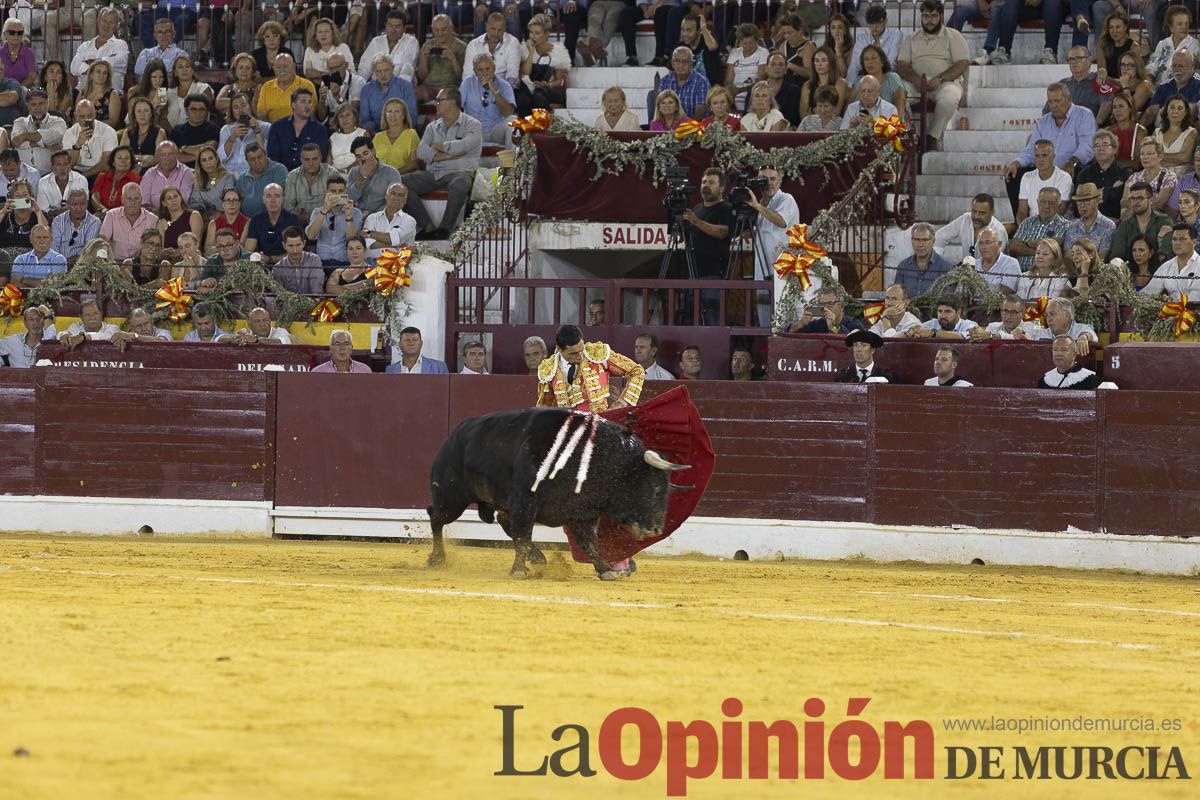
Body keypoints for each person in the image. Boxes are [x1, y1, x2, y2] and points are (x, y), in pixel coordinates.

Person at [1002, 86, 1095, 218]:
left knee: (1081, 174)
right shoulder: (1043, 121)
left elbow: (1087, 147)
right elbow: (1031, 150)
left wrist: (1072, 162)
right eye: (1050, 102)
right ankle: (1022, 222)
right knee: (1013, 175)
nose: (1054, 105)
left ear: (1069, 99)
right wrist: (1015, 163)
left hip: (1073, 168)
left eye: (1057, 101)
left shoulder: (1084, 115)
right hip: (1045, 170)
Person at [404, 88, 481, 240]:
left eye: (440, 101)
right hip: (435, 173)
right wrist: (446, 156)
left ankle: (445, 229)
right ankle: (427, 225)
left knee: (460, 183)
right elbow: (421, 152)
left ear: (452, 103)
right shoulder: (432, 127)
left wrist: (440, 146)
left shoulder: (473, 124)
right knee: (400, 182)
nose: (436, 104)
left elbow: (464, 146)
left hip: (460, 172)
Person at [896, 0, 967, 151]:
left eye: (933, 16)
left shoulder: (954, 36)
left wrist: (940, 79)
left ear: (941, 16)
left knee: (949, 97)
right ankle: (910, 134)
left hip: (944, 83)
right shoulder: (911, 38)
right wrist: (915, 79)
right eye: (926, 16)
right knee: (898, 94)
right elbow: (902, 65)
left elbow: (962, 64)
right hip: (916, 82)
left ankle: (932, 137)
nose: (929, 20)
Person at [677, 168, 733, 325]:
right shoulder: (696, 209)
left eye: (711, 182)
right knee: (690, 320)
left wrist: (696, 222)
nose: (706, 185)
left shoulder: (726, 208)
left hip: (714, 274)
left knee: (713, 321)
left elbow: (723, 232)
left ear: (722, 188)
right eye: (703, 182)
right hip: (692, 272)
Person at [515, 15, 569, 116]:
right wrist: (531, 53)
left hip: (549, 88)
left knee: (538, 94)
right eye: (531, 32)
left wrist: (547, 84)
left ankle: (543, 126)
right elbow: (525, 74)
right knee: (522, 96)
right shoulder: (524, 49)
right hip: (529, 86)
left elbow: (559, 81)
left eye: (537, 33)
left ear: (546, 34)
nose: (532, 36)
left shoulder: (558, 51)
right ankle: (525, 129)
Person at [265, 88, 329, 172]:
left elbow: (320, 157)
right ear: (293, 105)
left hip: (309, 175)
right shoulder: (277, 127)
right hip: (281, 174)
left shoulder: (320, 129)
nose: (307, 106)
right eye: (303, 102)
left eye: (309, 102)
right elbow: (272, 156)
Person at [1074, 129, 1132, 221]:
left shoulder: (1124, 171)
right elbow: (1078, 199)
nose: (1101, 148)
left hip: (1114, 218)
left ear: (1114, 149)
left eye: (1105, 144)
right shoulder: (1085, 173)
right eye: (1097, 146)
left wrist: (1095, 194)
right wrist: (1110, 190)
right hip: (1088, 219)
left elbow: (1121, 196)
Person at [1012, 140, 1074, 223]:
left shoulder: (1064, 178)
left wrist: (1041, 229)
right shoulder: (1027, 177)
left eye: (1044, 155)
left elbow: (1060, 211)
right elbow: (1022, 212)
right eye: (1037, 156)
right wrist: (1023, 229)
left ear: (1053, 156)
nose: (1040, 159)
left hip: (1058, 225)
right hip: (1032, 226)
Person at [461, 54, 516, 147]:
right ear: (475, 71)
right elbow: (456, 108)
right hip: (472, 131)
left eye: (488, 69)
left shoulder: (504, 85)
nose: (485, 73)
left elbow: (508, 113)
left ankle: (510, 160)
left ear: (494, 68)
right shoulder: (467, 83)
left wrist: (494, 90)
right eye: (480, 70)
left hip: (495, 130)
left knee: (513, 120)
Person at [934, 192, 1008, 260]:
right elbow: (940, 235)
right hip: (965, 271)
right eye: (974, 211)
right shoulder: (965, 218)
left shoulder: (999, 230)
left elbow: (994, 262)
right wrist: (937, 260)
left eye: (982, 213)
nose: (976, 216)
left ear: (992, 212)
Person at [1110, 181, 1172, 262]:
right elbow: (1117, 256)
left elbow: (1166, 254)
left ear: (1150, 200)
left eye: (1140, 198)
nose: (1135, 202)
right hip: (1131, 271)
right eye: (1133, 198)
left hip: (1158, 270)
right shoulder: (1125, 225)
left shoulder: (1163, 221)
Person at [1009, 187, 1068, 271]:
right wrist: (1042, 253)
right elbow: (1014, 246)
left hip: (1047, 276)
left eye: (1051, 203)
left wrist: (1027, 244)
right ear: (1037, 202)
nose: (1046, 206)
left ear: (1059, 205)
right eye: (1043, 202)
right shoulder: (1027, 222)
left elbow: (1053, 246)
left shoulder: (1064, 225)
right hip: (1021, 273)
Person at [306, 176, 361, 265]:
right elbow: (311, 236)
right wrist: (324, 211)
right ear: (326, 192)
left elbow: (353, 240)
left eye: (340, 191)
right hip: (321, 262)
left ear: (345, 192)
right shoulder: (317, 212)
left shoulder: (355, 213)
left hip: (344, 261)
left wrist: (348, 217)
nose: (337, 195)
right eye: (333, 191)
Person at [359, 53, 418, 135]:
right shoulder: (367, 89)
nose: (383, 75)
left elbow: (412, 116)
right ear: (373, 72)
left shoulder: (405, 86)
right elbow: (365, 119)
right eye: (378, 71)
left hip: (401, 133)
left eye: (386, 70)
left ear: (393, 68)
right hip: (375, 134)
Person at [11, 89, 65, 178]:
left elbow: (56, 136)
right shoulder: (19, 122)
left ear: (47, 103)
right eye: (33, 104)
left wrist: (24, 136)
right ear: (27, 105)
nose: (37, 108)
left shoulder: (58, 121)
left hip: (51, 175)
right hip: (24, 176)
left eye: (41, 103)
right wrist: (45, 145)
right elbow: (15, 141)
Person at [69, 8, 129, 87]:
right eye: (104, 21)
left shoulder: (121, 45)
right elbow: (74, 67)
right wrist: (103, 62)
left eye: (111, 22)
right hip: (82, 92)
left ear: (116, 26)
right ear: (98, 22)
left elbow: (118, 62)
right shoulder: (85, 46)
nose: (106, 26)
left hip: (108, 94)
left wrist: (89, 64)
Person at [358, 9, 419, 84]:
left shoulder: (411, 42)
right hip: (376, 87)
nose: (393, 30)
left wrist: (397, 88)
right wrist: (359, 84)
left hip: (400, 88)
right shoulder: (376, 41)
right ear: (385, 25)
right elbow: (364, 68)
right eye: (390, 26)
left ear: (404, 28)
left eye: (397, 27)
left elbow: (407, 68)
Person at [1143, 49, 1200, 129]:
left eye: (1180, 66)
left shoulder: (1198, 84)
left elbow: (1192, 113)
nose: (1177, 69)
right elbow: (1151, 112)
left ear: (1192, 65)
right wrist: (1139, 129)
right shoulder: (1164, 86)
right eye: (1174, 66)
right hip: (1162, 131)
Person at [415, 14, 466, 103]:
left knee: (446, 98)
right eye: (436, 30)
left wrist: (453, 59)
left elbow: (462, 78)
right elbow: (421, 77)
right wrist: (424, 58)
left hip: (451, 89)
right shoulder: (427, 45)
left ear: (451, 28)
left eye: (443, 29)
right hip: (429, 87)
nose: (440, 34)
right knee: (412, 94)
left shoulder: (461, 47)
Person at [1141, 223, 1200, 299]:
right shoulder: (1166, 267)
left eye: (1182, 239)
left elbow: (1195, 300)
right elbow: (1149, 292)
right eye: (1174, 239)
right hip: (1170, 309)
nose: (1177, 243)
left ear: (1194, 242)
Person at [348, 136, 403, 217]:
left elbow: (394, 202)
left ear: (373, 151)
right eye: (359, 156)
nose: (363, 159)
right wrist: (362, 177)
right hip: (356, 214)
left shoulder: (392, 172)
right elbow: (349, 198)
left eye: (365, 153)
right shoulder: (353, 172)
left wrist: (373, 217)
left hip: (380, 216)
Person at [218, 92, 270, 178]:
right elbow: (220, 158)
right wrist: (232, 138)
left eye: (243, 105)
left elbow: (266, 157)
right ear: (232, 111)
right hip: (228, 174)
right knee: (212, 182)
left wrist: (257, 131)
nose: (240, 110)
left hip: (252, 174)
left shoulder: (265, 127)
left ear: (250, 106)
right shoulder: (226, 129)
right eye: (236, 107)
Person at [245, 183, 299, 265]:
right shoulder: (256, 220)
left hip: (287, 265)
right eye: (269, 196)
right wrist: (257, 257)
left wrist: (270, 259)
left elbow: (296, 253)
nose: (273, 201)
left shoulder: (292, 220)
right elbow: (249, 251)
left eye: (277, 196)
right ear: (263, 199)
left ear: (283, 199)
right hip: (262, 266)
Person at [63, 99, 118, 180]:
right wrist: (78, 145)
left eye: (89, 116)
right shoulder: (69, 133)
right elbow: (68, 164)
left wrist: (83, 176)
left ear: (95, 114)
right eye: (82, 117)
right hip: (75, 172)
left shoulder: (108, 131)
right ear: (76, 116)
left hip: (98, 173)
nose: (86, 120)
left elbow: (106, 164)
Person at [256, 53, 319, 124]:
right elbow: (261, 115)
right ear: (274, 69)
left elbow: (311, 113)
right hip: (273, 130)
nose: (282, 70)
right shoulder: (266, 87)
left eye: (285, 66)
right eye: (278, 67)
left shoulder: (306, 85)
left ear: (293, 67)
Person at [894, 221, 952, 297]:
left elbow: (949, 299)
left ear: (933, 241)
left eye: (925, 240)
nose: (920, 244)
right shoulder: (903, 266)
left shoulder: (945, 267)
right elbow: (896, 296)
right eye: (917, 240)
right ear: (912, 241)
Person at [284, 142, 339, 221]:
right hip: (299, 221)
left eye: (315, 159)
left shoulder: (331, 173)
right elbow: (288, 206)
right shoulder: (292, 176)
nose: (311, 163)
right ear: (301, 160)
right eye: (307, 159)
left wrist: (314, 217)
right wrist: (297, 215)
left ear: (320, 158)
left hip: (326, 220)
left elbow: (339, 201)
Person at [361, 181, 416, 259]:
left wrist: (369, 233)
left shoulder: (409, 221)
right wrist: (396, 244)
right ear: (386, 196)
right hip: (372, 264)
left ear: (405, 200)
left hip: (397, 266)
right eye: (393, 193)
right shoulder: (372, 218)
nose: (396, 198)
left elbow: (395, 239)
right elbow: (369, 244)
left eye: (400, 195)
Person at [465, 12, 522, 86]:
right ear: (486, 26)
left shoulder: (512, 43)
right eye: (493, 29)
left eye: (500, 30)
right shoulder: (473, 45)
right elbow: (467, 74)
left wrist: (500, 92)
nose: (496, 33)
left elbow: (512, 74)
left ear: (505, 29)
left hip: (503, 88)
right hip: (477, 87)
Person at [657, 46, 711, 121]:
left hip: (692, 126)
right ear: (672, 63)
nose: (681, 65)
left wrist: (679, 124)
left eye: (685, 62)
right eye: (677, 61)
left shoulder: (701, 82)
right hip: (668, 126)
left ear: (692, 64)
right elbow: (659, 110)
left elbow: (700, 115)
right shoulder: (664, 81)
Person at [1062, 183, 1116, 259]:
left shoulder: (1108, 225)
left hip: (1096, 269)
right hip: (1074, 269)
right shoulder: (1072, 227)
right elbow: (1067, 256)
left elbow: (1101, 257)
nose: (1082, 206)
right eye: (1079, 202)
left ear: (1097, 201)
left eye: (1087, 201)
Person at [233, 144, 288, 218]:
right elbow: (237, 203)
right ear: (247, 161)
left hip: (272, 218)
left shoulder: (279, 170)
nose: (257, 162)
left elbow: (278, 200)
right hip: (247, 221)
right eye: (252, 159)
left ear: (266, 155)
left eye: (259, 157)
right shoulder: (242, 178)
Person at [1124, 138, 1177, 213]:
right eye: (1142, 154)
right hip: (1135, 216)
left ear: (1160, 156)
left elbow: (1159, 204)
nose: (1145, 157)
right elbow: (1124, 201)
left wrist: (1134, 205)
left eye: (1149, 154)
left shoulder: (1169, 177)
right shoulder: (1134, 177)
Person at [168, 94, 220, 168]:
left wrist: (184, 149)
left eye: (201, 109)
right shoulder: (176, 131)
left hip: (207, 171)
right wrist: (201, 156)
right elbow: (175, 157)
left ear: (207, 112)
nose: (197, 113)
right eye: (193, 109)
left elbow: (210, 148)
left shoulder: (215, 130)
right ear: (186, 111)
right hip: (181, 172)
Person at [51, 189, 101, 265]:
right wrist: (61, 263)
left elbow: (88, 250)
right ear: (68, 205)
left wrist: (72, 261)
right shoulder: (58, 221)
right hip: (59, 265)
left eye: (82, 204)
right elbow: (54, 247)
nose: (78, 208)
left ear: (87, 204)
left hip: (83, 266)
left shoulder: (94, 222)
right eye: (74, 204)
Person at [140, 140, 194, 208]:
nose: (167, 157)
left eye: (171, 154)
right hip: (154, 215)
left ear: (177, 155)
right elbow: (143, 201)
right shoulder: (150, 174)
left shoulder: (186, 173)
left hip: (178, 214)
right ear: (158, 157)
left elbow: (184, 200)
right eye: (163, 154)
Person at [121, 97, 168, 175]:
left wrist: (133, 159)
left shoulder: (159, 132)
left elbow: (159, 159)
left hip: (153, 173)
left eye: (146, 111)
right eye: (139, 111)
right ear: (134, 114)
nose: (142, 114)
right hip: (129, 171)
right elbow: (121, 155)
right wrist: (143, 158)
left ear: (151, 114)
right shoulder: (127, 132)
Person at [271, 226, 324, 294]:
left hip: (313, 304)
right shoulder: (277, 268)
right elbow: (279, 297)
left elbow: (316, 292)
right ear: (284, 245)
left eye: (298, 245)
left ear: (304, 243)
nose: (295, 250)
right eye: (290, 246)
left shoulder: (314, 260)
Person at [373, 98, 420, 174]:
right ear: (385, 114)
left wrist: (394, 174)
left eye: (397, 111)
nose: (392, 115)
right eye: (389, 111)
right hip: (379, 178)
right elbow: (371, 161)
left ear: (404, 115)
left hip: (403, 177)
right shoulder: (378, 137)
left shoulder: (411, 134)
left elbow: (414, 164)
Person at [1037, 334, 1101, 389]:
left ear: (1074, 355)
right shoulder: (1044, 382)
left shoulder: (1090, 380)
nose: (1059, 353)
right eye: (1055, 349)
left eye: (1064, 349)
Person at [799, 46, 846, 118]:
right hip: (811, 125)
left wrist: (813, 111)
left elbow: (836, 112)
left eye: (824, 60)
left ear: (831, 63)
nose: (819, 64)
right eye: (817, 60)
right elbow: (803, 114)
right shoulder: (807, 85)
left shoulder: (840, 83)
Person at [36, 149, 88, 216]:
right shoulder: (43, 182)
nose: (62, 168)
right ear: (52, 167)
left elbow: (83, 206)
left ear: (70, 166)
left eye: (65, 164)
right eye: (58, 164)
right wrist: (62, 212)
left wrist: (57, 212)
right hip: (52, 219)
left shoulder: (80, 180)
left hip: (76, 217)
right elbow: (43, 210)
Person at [793, 287, 865, 334]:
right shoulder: (819, 323)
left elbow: (853, 343)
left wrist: (833, 326)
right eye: (823, 304)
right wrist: (801, 323)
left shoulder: (854, 325)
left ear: (842, 306)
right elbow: (790, 333)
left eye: (830, 304)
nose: (825, 308)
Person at [758, 53, 803, 128]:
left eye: (781, 64)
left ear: (785, 69)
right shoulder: (756, 90)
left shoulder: (794, 91)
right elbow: (748, 113)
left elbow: (793, 119)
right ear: (766, 68)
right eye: (773, 64)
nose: (777, 67)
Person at [0, 178, 46, 249]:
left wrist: (37, 211)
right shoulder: (5, 215)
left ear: (31, 197)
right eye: (17, 195)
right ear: (11, 198)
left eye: (24, 195)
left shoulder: (39, 214)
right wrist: (3, 212)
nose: (21, 198)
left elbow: (44, 236)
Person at [907, 296, 979, 340]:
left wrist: (933, 333)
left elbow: (963, 337)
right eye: (940, 311)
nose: (943, 315)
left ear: (958, 312)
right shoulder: (931, 324)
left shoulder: (968, 325)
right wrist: (912, 332)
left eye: (948, 311)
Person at [384, 326, 450, 373]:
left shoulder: (439, 368)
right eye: (407, 340)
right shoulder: (390, 370)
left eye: (415, 340)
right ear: (400, 344)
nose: (411, 343)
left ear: (421, 344)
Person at [974, 227, 1021, 293]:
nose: (984, 247)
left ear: (999, 244)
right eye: (981, 243)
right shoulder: (974, 264)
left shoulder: (1011, 264)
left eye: (988, 242)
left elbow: (1003, 295)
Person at [221, 306, 293, 345]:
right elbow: (218, 339)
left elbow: (286, 341)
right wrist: (232, 339)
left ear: (270, 321)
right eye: (257, 321)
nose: (262, 324)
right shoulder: (245, 333)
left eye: (265, 320)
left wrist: (256, 339)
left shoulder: (279, 332)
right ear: (250, 325)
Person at [329, 102, 368, 173]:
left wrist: (346, 170)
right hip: (335, 173)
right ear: (337, 120)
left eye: (348, 115)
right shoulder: (333, 137)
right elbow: (329, 160)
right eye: (341, 116)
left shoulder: (363, 134)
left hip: (356, 172)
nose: (345, 119)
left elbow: (364, 158)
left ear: (355, 118)